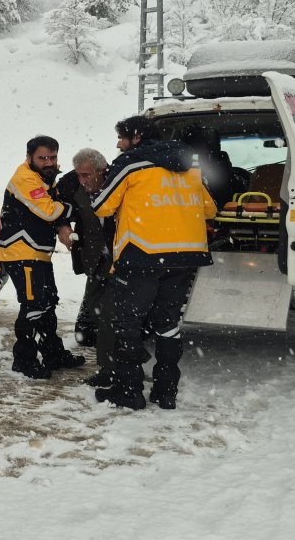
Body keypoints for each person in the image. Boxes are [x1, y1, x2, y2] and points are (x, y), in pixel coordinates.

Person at [92, 115, 217, 410]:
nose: (118, 144)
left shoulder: (130, 164)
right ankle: (166, 391)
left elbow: (102, 206)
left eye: (122, 138)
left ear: (136, 138)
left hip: (141, 256)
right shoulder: (191, 166)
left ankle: (129, 392)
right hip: (185, 257)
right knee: (168, 325)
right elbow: (209, 209)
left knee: (129, 326)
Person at [0, 135, 85, 379]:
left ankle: (52, 353)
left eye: (52, 157)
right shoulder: (25, 178)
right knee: (33, 306)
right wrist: (74, 209)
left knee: (48, 303)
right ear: (29, 158)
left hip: (38, 253)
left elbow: (53, 207)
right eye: (42, 158)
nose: (48, 162)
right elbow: (49, 210)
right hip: (20, 253)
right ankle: (24, 360)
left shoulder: (45, 179)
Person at [53, 148, 116, 388]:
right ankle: (116, 363)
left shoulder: (118, 178)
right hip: (93, 257)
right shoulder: (71, 182)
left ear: (102, 171)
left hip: (119, 257)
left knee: (113, 315)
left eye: (87, 175)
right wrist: (62, 227)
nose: (83, 180)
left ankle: (114, 368)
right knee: (95, 309)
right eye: (79, 175)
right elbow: (58, 204)